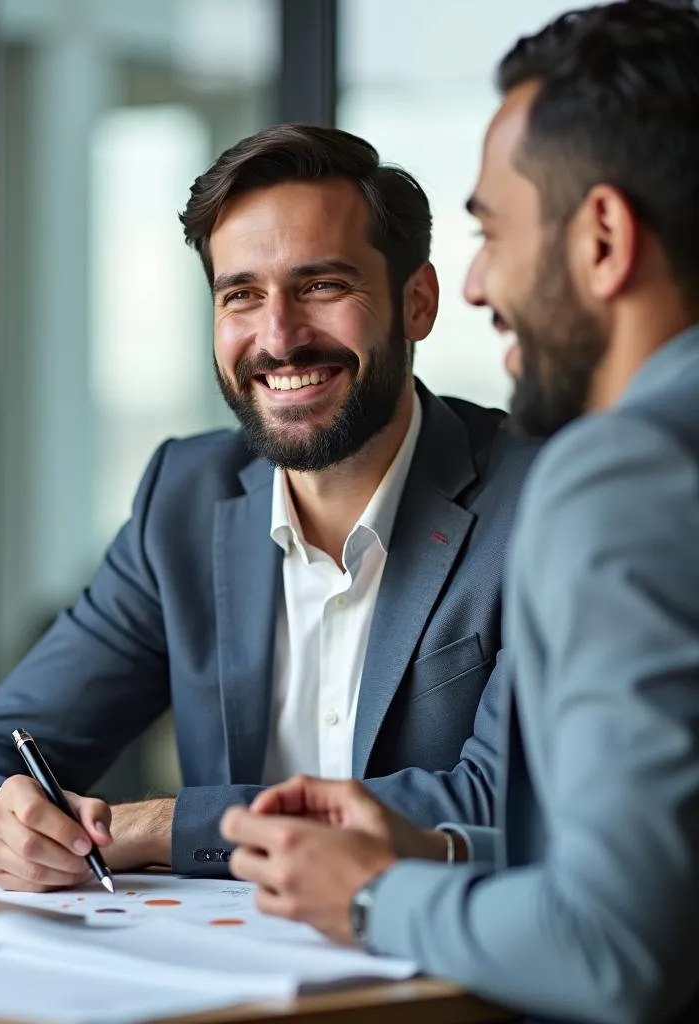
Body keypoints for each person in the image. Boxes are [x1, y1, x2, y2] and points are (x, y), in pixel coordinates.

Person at [221, 3, 699, 1021]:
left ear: (604, 238)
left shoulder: (618, 473)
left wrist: (369, 894)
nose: (481, 283)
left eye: (492, 232)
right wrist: (431, 847)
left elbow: (615, 948)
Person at [0, 125, 539, 890]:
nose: (278, 338)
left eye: (321, 287)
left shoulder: (540, 499)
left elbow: (502, 799)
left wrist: (165, 827)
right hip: (218, 975)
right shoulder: (185, 496)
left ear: (417, 302)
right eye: (241, 295)